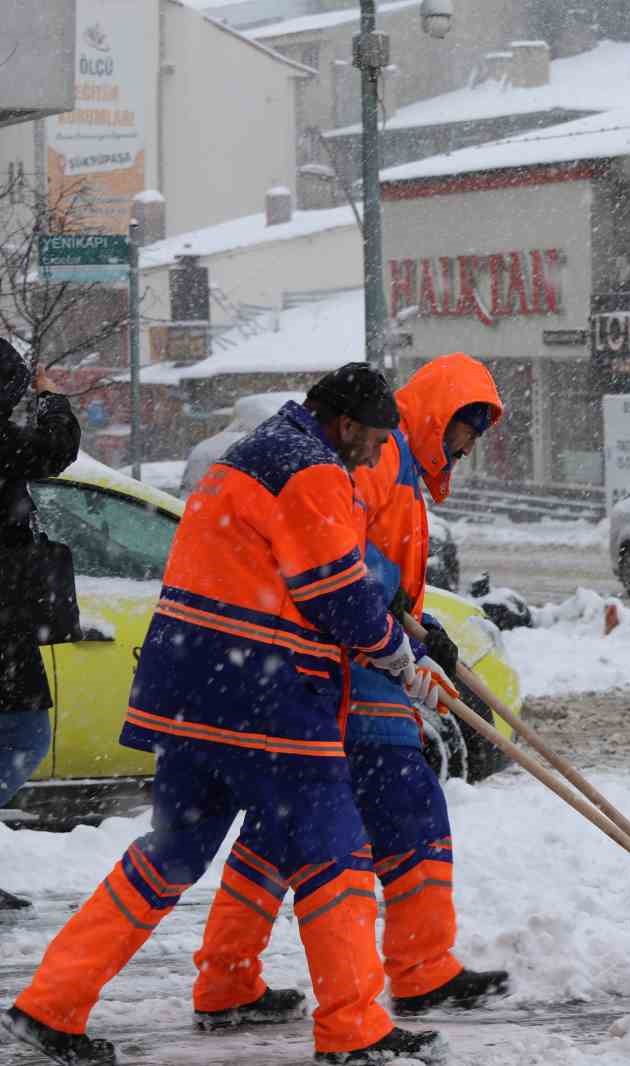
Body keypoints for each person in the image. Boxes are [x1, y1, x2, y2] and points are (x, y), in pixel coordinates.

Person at [3, 364, 452, 1066]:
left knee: (171, 852)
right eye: (371, 441)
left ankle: (51, 1003)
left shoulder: (248, 455)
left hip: (190, 686)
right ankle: (354, 1029)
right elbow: (334, 591)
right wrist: (398, 658)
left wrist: (385, 623)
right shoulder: (311, 468)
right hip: (264, 692)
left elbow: (289, 567)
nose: (372, 457)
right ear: (345, 424)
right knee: (334, 850)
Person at [191, 353, 508, 1030]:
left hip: (344, 653)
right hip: (357, 660)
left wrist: (426, 630)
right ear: (442, 417)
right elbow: (349, 557)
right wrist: (403, 635)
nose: (470, 446)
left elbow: (379, 573)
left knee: (279, 828)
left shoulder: (403, 465)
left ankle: (226, 975)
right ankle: (421, 972)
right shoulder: (385, 456)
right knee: (411, 808)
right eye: (468, 428)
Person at [0, 342, 80, 910]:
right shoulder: (3, 443)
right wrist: (50, 398)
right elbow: (58, 449)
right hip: (4, 624)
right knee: (25, 738)